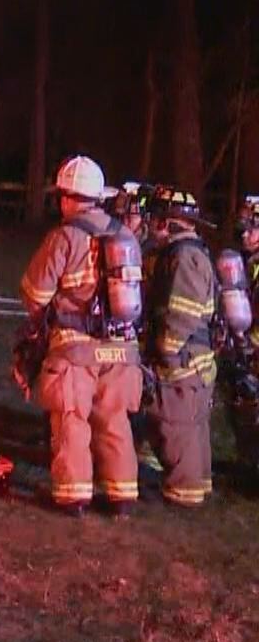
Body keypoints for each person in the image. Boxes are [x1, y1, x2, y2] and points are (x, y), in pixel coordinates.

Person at [18, 155, 143, 517]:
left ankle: (73, 497)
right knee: (115, 419)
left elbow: (34, 295)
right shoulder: (126, 236)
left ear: (69, 198)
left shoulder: (64, 237)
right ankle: (122, 497)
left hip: (75, 350)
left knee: (72, 419)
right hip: (122, 350)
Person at [142, 186, 218, 508]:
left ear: (169, 221)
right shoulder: (187, 252)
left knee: (178, 428)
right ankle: (194, 486)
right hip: (194, 362)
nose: (151, 223)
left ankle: (183, 495)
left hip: (182, 362)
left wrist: (164, 352)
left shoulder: (184, 257)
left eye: (156, 216)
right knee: (189, 427)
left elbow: (181, 314)